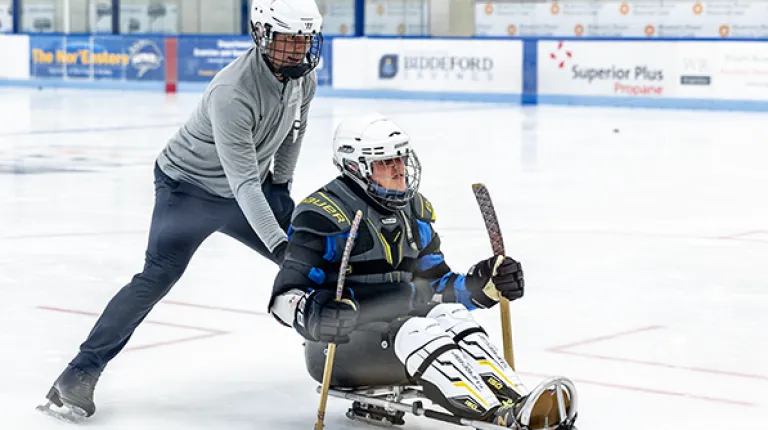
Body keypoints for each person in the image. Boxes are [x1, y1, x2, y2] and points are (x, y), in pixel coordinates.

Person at [40, 0, 324, 419]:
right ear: (262, 35)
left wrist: (281, 185)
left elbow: (292, 134)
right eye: (285, 40)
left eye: (303, 40)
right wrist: (281, 248)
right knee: (157, 276)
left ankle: (362, 351)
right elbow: (243, 184)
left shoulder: (304, 79)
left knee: (316, 257)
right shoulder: (233, 91)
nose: (295, 50)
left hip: (248, 186)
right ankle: (77, 374)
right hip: (186, 189)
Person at [268, 114, 578, 429]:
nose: (399, 169)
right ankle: (497, 417)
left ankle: (520, 402)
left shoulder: (414, 212)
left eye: (400, 158)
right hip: (338, 351)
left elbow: (437, 287)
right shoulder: (323, 216)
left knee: (451, 317)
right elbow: (283, 299)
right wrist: (316, 312)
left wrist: (484, 285)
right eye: (386, 162)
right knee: (418, 330)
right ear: (355, 167)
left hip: (400, 340)